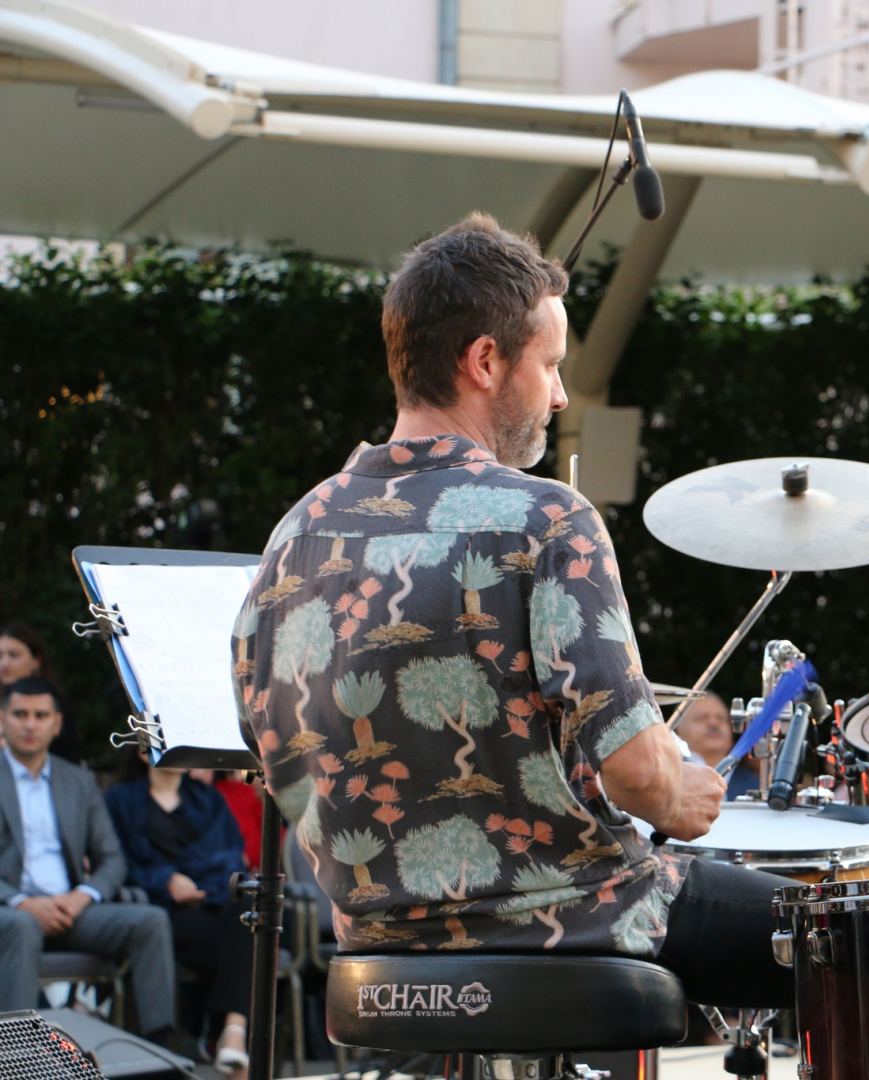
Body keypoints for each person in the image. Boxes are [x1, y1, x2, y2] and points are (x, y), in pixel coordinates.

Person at [232, 213, 789, 1008]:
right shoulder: (548, 521)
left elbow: (270, 745)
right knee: (852, 935)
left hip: (376, 943)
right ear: (486, 360)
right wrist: (683, 791)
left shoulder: (294, 534)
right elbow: (639, 778)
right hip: (575, 919)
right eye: (552, 365)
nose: (560, 394)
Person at [0, 678, 177, 1034]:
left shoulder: (78, 780)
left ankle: (157, 1053)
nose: (30, 724)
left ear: (57, 723)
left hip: (71, 910)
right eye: (20, 714)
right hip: (11, 912)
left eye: (40, 715)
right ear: (2, 720)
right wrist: (21, 902)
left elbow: (112, 859)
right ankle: (19, 1056)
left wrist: (82, 897)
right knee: (22, 927)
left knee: (150, 921)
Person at [106, 763, 254, 1076]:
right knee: (251, 934)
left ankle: (230, 1028)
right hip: (161, 913)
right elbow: (119, 863)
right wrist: (167, 880)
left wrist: (197, 883)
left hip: (210, 904)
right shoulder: (121, 799)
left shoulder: (207, 798)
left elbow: (232, 856)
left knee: (252, 912)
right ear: (143, 751)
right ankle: (227, 1032)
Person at [0, 624, 78, 760]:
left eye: (14, 655)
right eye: (0, 656)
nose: (5, 663)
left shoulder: (53, 701)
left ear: (36, 661)